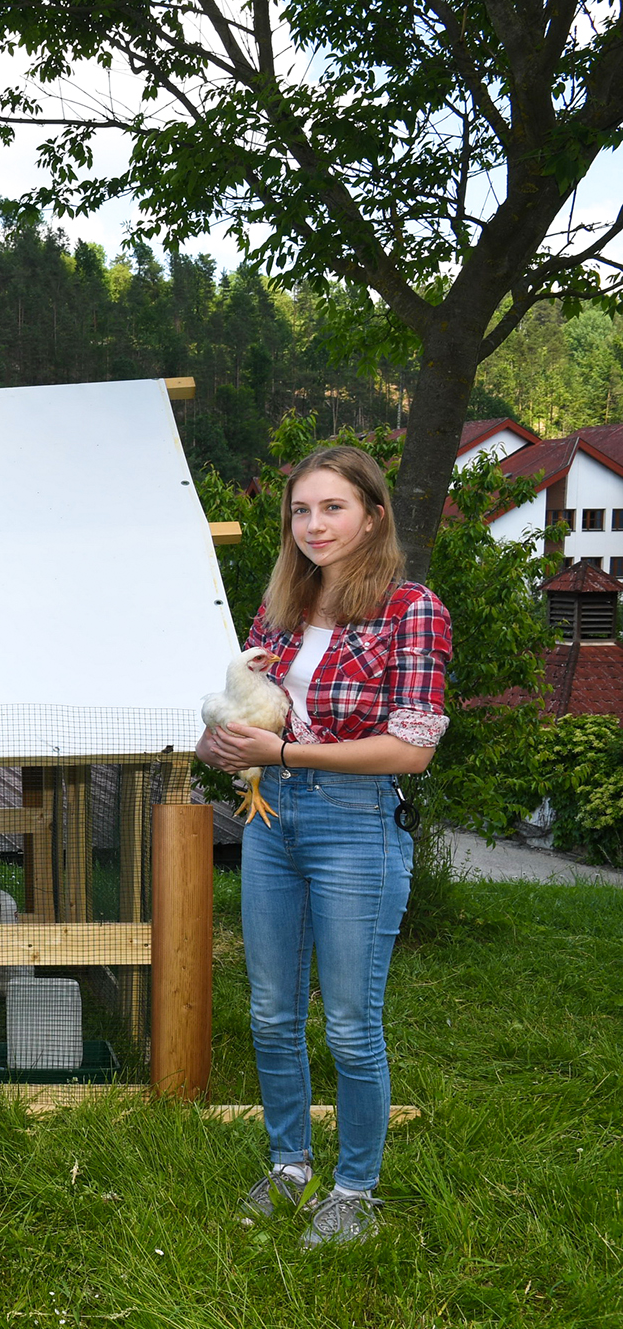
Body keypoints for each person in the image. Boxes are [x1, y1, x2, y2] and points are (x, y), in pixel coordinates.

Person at [197, 445, 450, 1249]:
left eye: (332, 507)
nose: (313, 525)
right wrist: (220, 741)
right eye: (301, 511)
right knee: (270, 1013)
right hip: (270, 815)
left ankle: (355, 1188)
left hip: (355, 820)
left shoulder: (412, 608)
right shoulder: (281, 607)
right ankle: (290, 1165)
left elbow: (410, 749)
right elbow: (252, 706)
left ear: (373, 513)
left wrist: (282, 755)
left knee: (348, 1022)